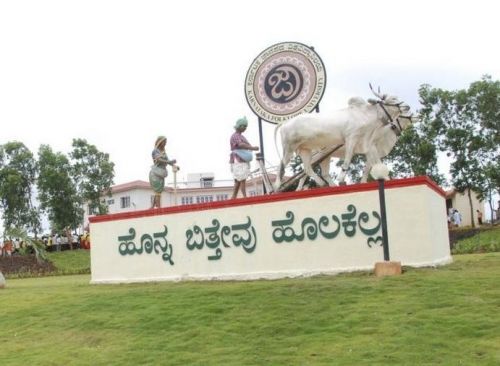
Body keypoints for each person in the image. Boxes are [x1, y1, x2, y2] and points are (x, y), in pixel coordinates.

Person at [229, 117, 259, 199]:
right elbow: (241, 145)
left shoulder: (241, 136)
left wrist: (250, 148)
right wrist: (252, 148)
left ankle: (234, 196)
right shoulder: (235, 136)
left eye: (246, 126)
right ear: (239, 126)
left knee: (239, 179)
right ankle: (244, 196)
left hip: (242, 159)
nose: (245, 128)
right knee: (241, 178)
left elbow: (245, 145)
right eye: (244, 126)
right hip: (238, 159)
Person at [149, 136, 177, 208]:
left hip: (161, 173)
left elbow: (168, 162)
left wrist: (174, 165)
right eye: (164, 142)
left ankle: (152, 206)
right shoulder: (155, 151)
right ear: (160, 142)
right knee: (158, 190)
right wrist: (168, 161)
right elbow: (158, 160)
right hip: (155, 173)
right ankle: (158, 207)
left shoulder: (164, 152)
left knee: (159, 191)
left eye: (166, 142)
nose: (165, 144)